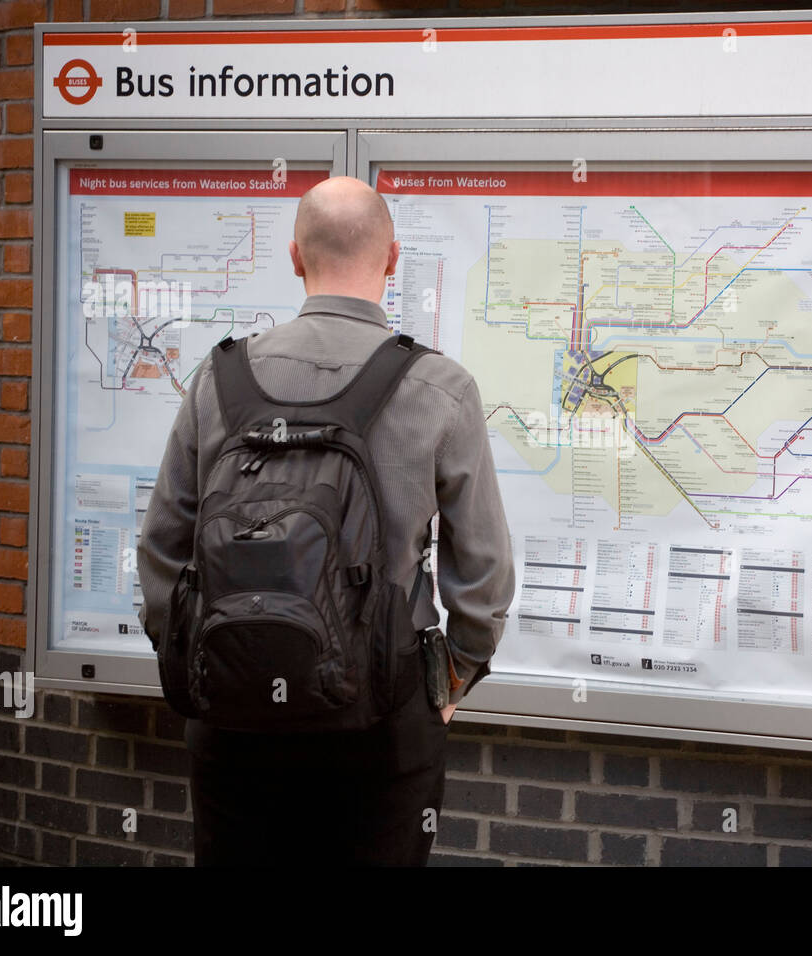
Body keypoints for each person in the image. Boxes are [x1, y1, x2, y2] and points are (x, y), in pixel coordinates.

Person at [136, 175, 516, 866]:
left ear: (294, 256)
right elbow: (485, 572)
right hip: (383, 727)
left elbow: (163, 546)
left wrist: (205, 660)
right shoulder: (442, 388)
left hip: (235, 727)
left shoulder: (218, 380)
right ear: (393, 259)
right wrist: (449, 680)